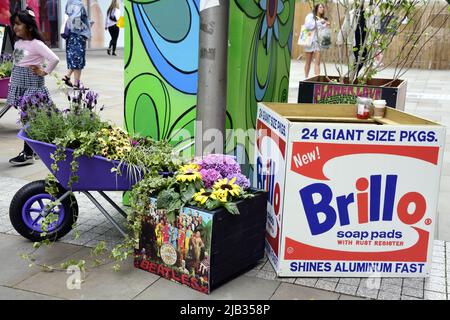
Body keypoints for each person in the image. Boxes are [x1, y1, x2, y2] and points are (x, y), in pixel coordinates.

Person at [7, 7, 59, 166]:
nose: (15, 27)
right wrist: (12, 82)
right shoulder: (18, 43)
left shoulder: (36, 44)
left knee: (28, 117)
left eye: (18, 24)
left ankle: (28, 153)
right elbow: (17, 63)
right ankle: (36, 149)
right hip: (19, 84)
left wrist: (44, 72)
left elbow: (54, 59)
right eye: (14, 24)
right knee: (32, 117)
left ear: (29, 26)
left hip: (32, 85)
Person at [62, 0, 91, 88]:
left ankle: (67, 77)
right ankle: (76, 84)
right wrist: (82, 29)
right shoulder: (79, 4)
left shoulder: (69, 3)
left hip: (70, 35)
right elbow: (76, 19)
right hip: (77, 35)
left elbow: (67, 16)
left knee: (74, 58)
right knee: (78, 59)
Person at [303, 3, 330, 78]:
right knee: (308, 62)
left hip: (319, 42)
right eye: (320, 7)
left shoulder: (324, 19)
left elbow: (324, 32)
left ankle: (317, 79)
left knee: (317, 62)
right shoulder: (310, 16)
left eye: (323, 7)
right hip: (310, 41)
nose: (322, 9)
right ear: (316, 8)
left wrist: (326, 25)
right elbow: (308, 26)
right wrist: (319, 22)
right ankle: (306, 77)